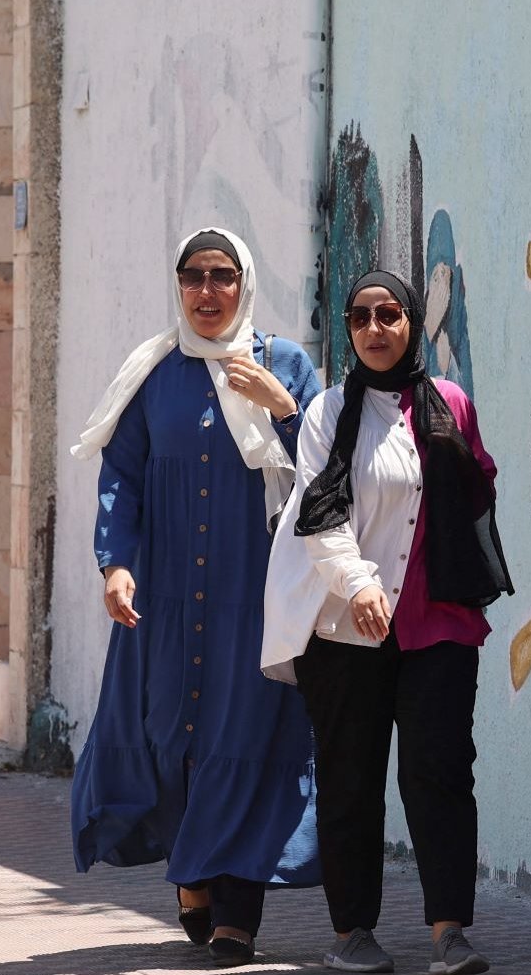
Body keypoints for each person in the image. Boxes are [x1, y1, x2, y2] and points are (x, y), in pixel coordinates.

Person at [68, 227, 322, 967]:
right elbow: (120, 474)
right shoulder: (153, 372)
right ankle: (193, 872)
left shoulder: (285, 363)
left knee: (247, 736)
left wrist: (283, 405)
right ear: (178, 285)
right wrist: (115, 564)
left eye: (222, 275)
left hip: (256, 595)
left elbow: (327, 465)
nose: (207, 291)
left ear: (245, 283)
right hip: (166, 595)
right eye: (193, 276)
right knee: (170, 732)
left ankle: (238, 911)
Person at [261, 271, 507, 975]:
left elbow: (476, 487)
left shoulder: (451, 403)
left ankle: (449, 933)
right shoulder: (328, 412)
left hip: (439, 623)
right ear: (348, 328)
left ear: (411, 323)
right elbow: (319, 511)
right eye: (361, 316)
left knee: (441, 774)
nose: (375, 328)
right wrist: (360, 583)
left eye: (390, 314)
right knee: (351, 780)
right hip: (347, 628)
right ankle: (352, 932)